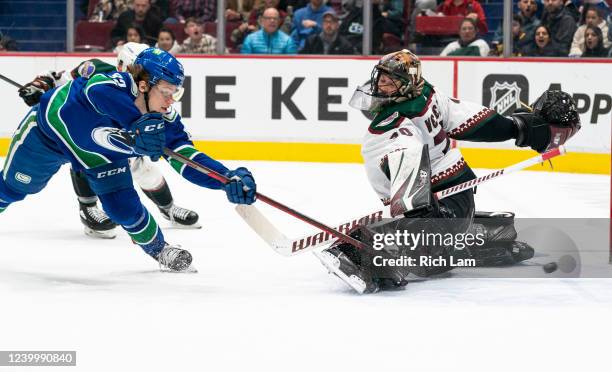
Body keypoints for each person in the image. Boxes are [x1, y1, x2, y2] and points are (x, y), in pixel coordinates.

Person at [317, 49, 580, 293]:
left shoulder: (401, 119)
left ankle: (364, 253)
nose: (380, 85)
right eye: (381, 78)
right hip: (455, 192)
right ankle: (478, 234)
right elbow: (462, 119)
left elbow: (461, 122)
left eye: (389, 80)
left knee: (426, 244)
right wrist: (517, 128)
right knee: (433, 260)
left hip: (446, 196)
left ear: (407, 83)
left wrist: (518, 127)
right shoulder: (424, 96)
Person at [3, 47, 257, 272]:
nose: (170, 101)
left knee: (122, 208)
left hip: (100, 158)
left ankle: (160, 250)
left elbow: (185, 156)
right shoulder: (111, 83)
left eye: (175, 93)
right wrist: (135, 125)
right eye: (166, 91)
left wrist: (225, 178)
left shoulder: (164, 118)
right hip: (48, 137)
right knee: (14, 189)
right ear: (144, 85)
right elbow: (96, 91)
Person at [17, 42, 202, 238]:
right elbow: (57, 78)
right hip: (88, 137)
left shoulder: (146, 89)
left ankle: (168, 207)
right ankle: (88, 208)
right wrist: (40, 86)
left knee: (143, 169)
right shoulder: (98, 71)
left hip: (121, 142)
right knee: (82, 157)